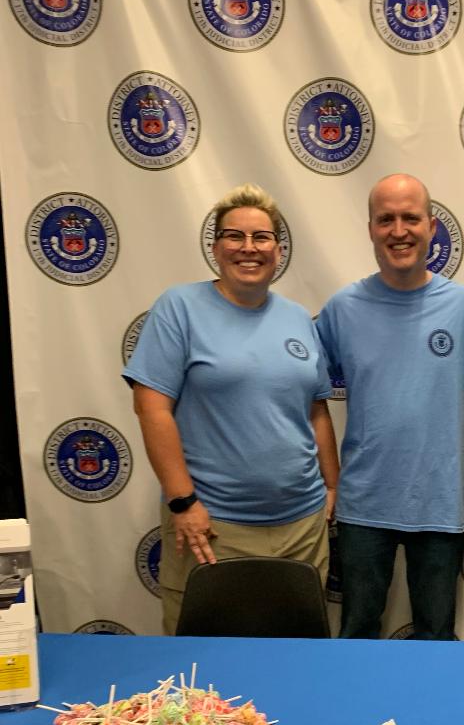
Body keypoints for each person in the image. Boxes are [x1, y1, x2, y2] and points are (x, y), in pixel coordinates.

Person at [123, 183, 339, 634]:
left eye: (261, 237)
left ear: (278, 250)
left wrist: (332, 485)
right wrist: (183, 502)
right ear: (216, 247)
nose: (248, 247)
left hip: (302, 528)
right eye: (234, 236)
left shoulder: (298, 318)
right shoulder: (179, 308)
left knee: (296, 654)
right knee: (204, 662)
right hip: (212, 528)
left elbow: (316, 409)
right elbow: (151, 407)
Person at [315, 174, 464, 640]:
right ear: (370, 228)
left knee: (436, 638)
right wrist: (328, 480)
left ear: (432, 226)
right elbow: (303, 394)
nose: (399, 231)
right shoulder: (341, 309)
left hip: (440, 503)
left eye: (410, 218)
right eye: (386, 219)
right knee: (357, 634)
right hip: (363, 504)